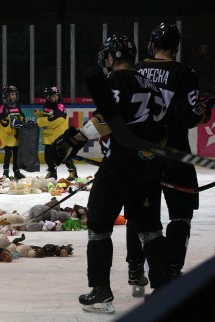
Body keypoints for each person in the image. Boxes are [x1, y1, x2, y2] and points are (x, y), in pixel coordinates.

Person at [53, 35, 172, 314]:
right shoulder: (152, 86)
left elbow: (108, 118)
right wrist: (148, 157)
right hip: (146, 167)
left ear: (112, 56)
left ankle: (101, 293)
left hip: (118, 166)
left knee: (98, 227)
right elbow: (163, 131)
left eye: (106, 56)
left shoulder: (117, 81)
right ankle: (166, 291)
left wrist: (76, 139)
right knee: (151, 229)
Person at [125, 23, 211, 292]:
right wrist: (205, 113)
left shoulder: (134, 70)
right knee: (181, 215)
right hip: (175, 154)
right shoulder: (184, 72)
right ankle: (172, 269)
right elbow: (189, 116)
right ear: (176, 47)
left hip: (140, 154)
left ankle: (136, 268)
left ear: (152, 45)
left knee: (139, 213)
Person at [34, 86, 78, 180]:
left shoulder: (60, 106)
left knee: (65, 156)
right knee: (48, 157)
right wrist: (40, 114)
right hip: (49, 136)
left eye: (55, 96)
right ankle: (52, 173)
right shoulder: (47, 104)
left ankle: (73, 172)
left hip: (60, 135)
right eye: (52, 96)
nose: (54, 98)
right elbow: (49, 115)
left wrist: (40, 121)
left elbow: (55, 120)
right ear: (47, 97)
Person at [0, 85, 26, 179]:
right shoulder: (3, 107)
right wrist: (11, 124)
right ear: (6, 95)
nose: (14, 96)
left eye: (14, 94)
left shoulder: (17, 105)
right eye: (11, 94)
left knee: (17, 154)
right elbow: (1, 120)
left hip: (16, 135)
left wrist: (22, 122)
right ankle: (5, 172)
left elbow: (22, 116)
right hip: (7, 135)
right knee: (8, 154)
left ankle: (17, 171)